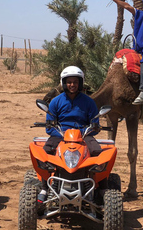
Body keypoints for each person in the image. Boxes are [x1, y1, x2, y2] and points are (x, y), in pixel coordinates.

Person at [38, 66, 102, 203]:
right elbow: (50, 126)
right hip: (60, 135)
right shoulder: (56, 101)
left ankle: (99, 187)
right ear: (64, 83)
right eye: (69, 82)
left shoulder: (89, 102)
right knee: (46, 152)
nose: (72, 85)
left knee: (98, 152)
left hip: (84, 135)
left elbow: (94, 124)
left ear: (80, 83)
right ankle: (44, 187)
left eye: (75, 82)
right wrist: (63, 134)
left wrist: (89, 130)